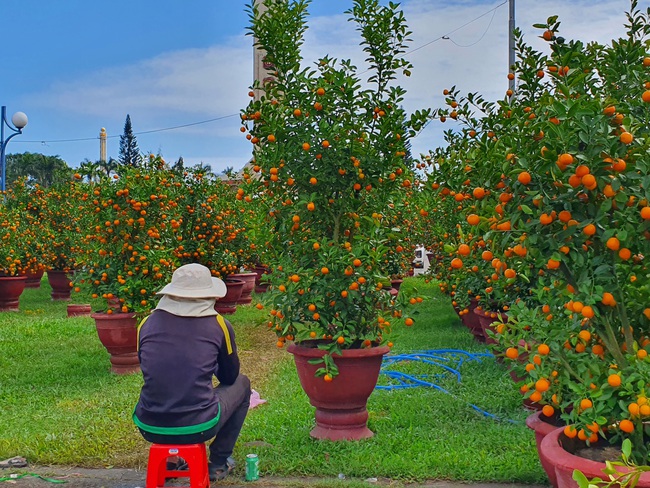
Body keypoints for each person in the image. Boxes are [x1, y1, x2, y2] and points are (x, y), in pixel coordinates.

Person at [133, 263, 251, 482]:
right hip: (200, 425)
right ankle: (218, 462)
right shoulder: (218, 325)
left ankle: (170, 461)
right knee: (243, 384)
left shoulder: (146, 324)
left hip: (149, 424)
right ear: (208, 296)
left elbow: (154, 369)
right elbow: (229, 377)